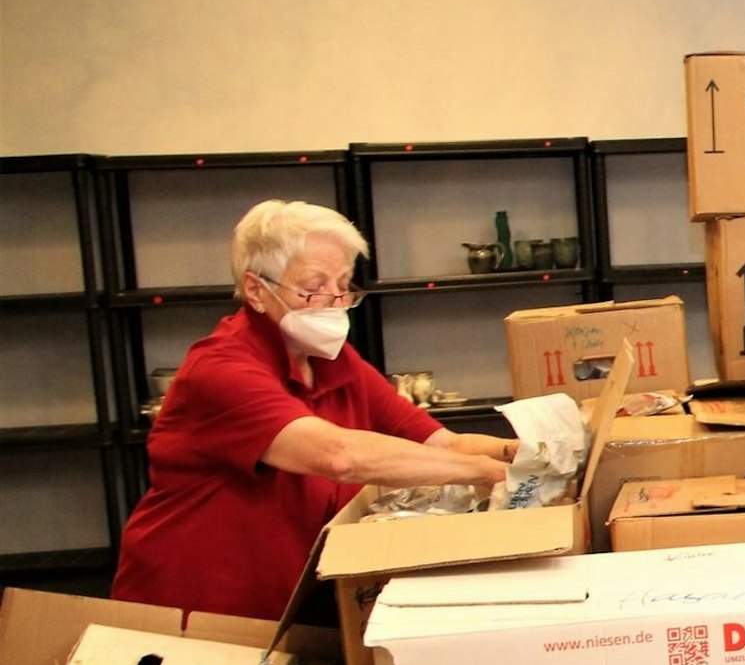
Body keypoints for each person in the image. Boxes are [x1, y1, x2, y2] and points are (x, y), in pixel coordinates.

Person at [112, 200, 515, 622]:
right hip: (195, 613)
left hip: (291, 604)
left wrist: (524, 454)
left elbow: (444, 442)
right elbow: (338, 456)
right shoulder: (220, 370)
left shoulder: (334, 362)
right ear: (255, 290)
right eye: (313, 287)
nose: (334, 302)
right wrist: (485, 474)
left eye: (343, 285)